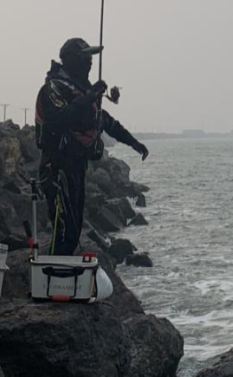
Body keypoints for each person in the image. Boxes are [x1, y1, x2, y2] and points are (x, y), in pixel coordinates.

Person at [35, 37, 149, 255]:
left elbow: (106, 122)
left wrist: (135, 143)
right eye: (85, 58)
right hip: (56, 167)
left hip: (77, 167)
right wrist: (88, 98)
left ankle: (66, 278)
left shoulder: (84, 93)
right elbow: (60, 118)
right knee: (63, 225)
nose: (90, 63)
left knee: (75, 227)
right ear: (71, 61)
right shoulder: (51, 89)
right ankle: (54, 278)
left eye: (91, 58)